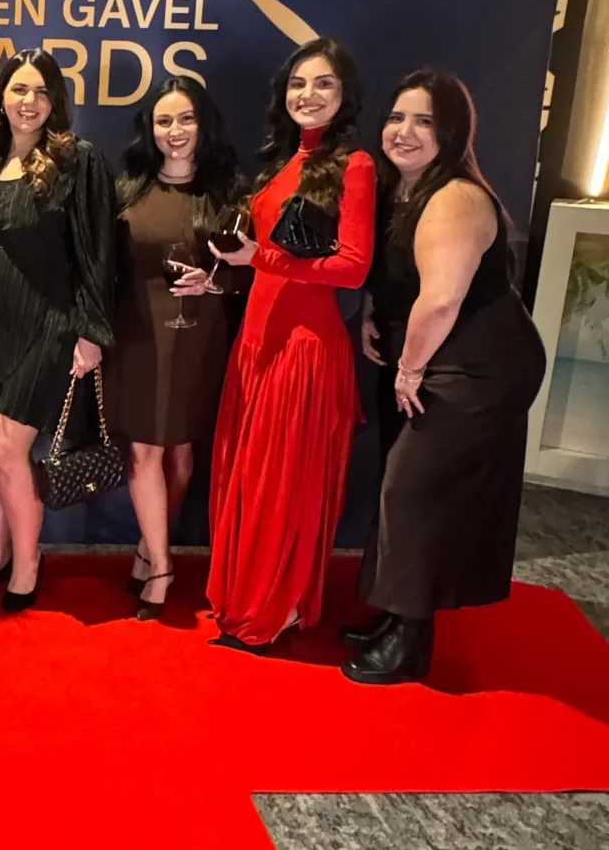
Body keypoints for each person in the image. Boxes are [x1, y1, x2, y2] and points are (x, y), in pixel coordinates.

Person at [343, 68, 546, 686]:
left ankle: (409, 640)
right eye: (396, 117)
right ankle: (397, 615)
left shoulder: (454, 198)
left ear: (452, 132)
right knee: (409, 488)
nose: (403, 132)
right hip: (436, 355)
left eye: (424, 121)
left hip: (478, 364)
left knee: (412, 490)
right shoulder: (401, 190)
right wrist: (373, 312)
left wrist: (409, 368)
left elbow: (439, 301)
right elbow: (395, 272)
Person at [207, 39, 376, 652]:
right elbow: (263, 264)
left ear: (345, 95)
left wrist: (263, 257)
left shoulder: (355, 165)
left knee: (281, 482)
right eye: (299, 83)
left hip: (303, 347)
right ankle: (247, 595)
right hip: (257, 339)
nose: (308, 94)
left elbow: (353, 268)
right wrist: (221, 275)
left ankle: (274, 606)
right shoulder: (282, 162)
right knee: (249, 475)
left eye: (324, 83)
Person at [0, 49, 115, 611]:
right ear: (1, 96)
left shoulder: (79, 160)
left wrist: (91, 332)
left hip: (47, 322)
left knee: (10, 445)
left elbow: (98, 251)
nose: (29, 101)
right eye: (19, 89)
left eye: (41, 91)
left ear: (56, 101)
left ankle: (27, 565)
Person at [102, 74, 245, 619]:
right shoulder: (128, 190)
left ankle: (147, 547)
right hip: (137, 335)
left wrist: (216, 283)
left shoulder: (227, 191)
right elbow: (103, 267)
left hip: (200, 338)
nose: (175, 130)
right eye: (164, 120)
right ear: (150, 128)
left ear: (203, 124)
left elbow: (252, 270)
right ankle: (161, 567)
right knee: (144, 451)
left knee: (181, 457)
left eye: (186, 118)